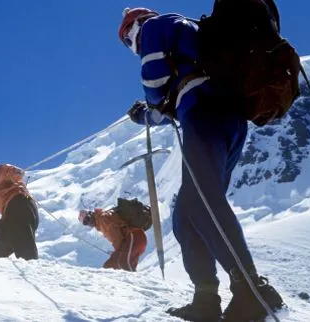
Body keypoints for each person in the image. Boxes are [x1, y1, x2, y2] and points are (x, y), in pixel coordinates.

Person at [118, 7, 284, 322]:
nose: (131, 45)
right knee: (188, 211)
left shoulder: (154, 25)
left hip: (204, 116)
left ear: (134, 25)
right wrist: (151, 115)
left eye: (127, 38)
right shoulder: (194, 40)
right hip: (227, 120)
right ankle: (205, 298)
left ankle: (250, 288)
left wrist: (150, 106)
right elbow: (178, 96)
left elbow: (154, 77)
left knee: (203, 203)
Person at [0, 157, 39, 260]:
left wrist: (15, 172)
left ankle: (30, 267)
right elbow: (8, 213)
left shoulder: (0, 172)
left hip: (21, 206)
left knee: (21, 234)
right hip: (12, 215)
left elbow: (9, 172)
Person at [78, 207, 147, 272]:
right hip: (134, 240)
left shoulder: (102, 219)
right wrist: (116, 252)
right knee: (109, 266)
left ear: (91, 214)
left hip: (134, 236)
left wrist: (117, 251)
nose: (88, 222)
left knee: (124, 264)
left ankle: (133, 283)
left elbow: (117, 237)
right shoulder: (100, 222)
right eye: (85, 223)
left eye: (87, 218)